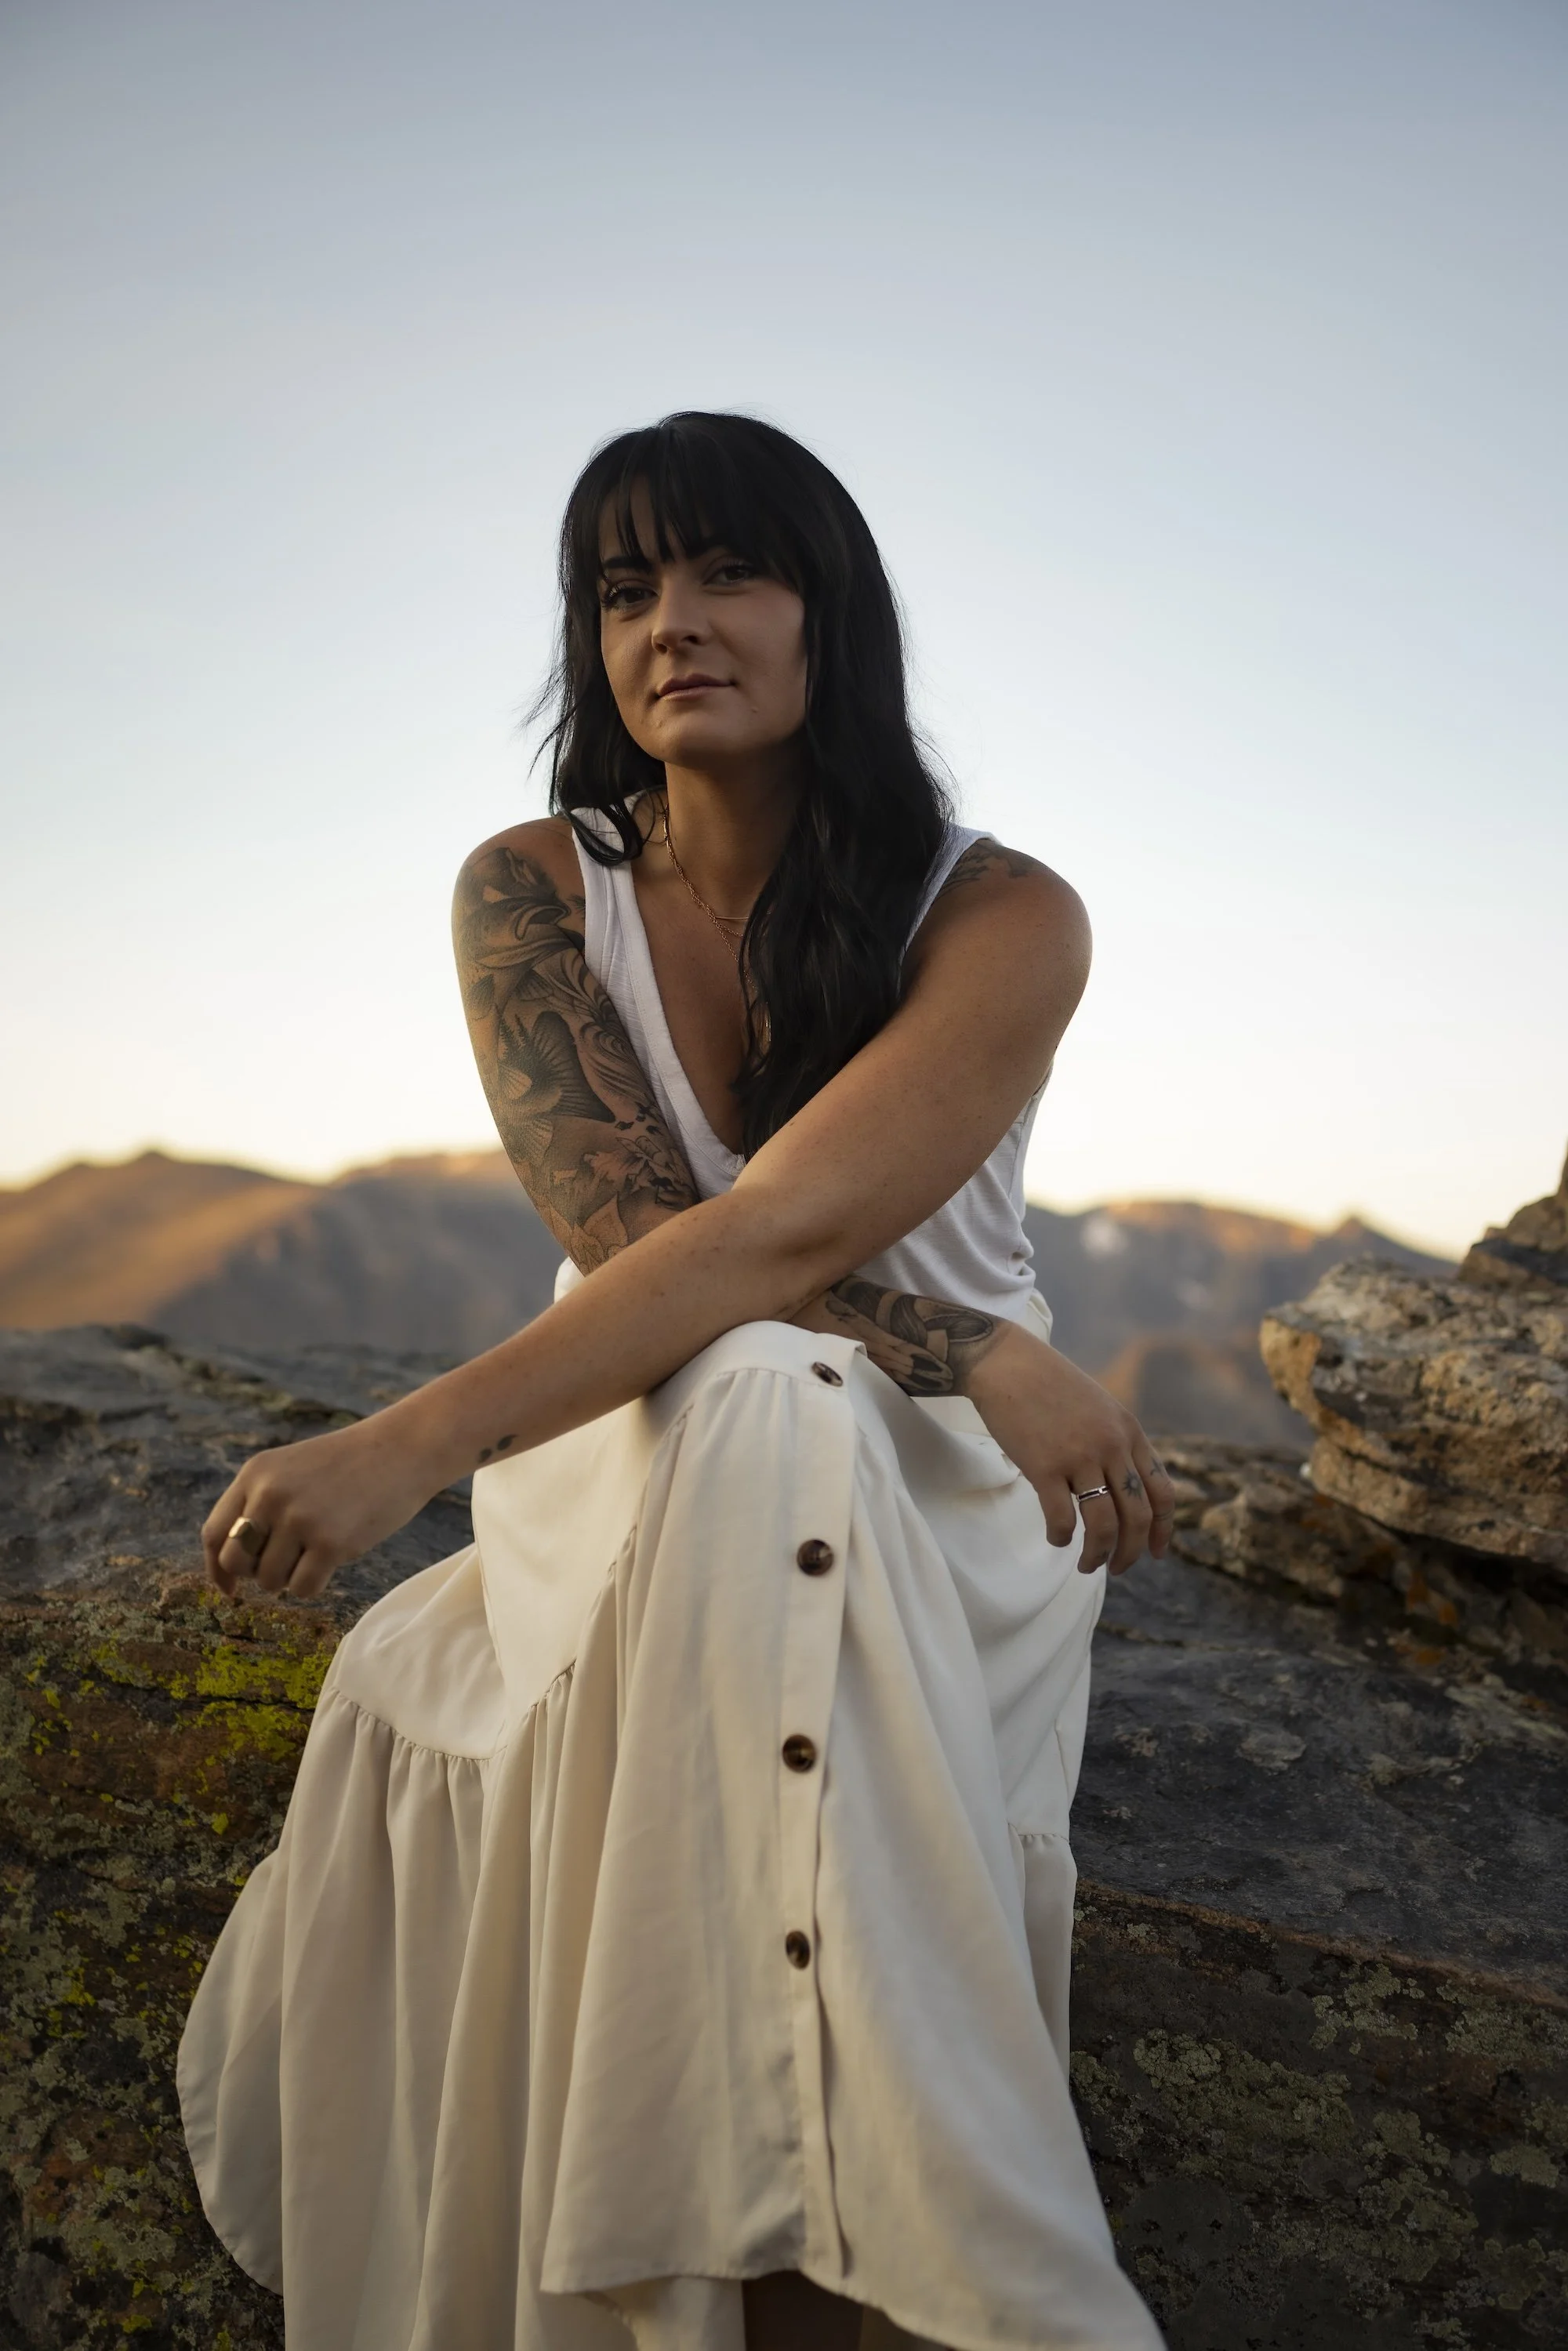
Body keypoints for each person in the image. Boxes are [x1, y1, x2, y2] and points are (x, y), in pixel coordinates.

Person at [179, 412, 1172, 2351]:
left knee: (787, 1399)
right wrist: (987, 1341)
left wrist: (404, 1442)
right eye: (624, 589)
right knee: (759, 1399)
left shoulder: (1000, 912)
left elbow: (786, 1232)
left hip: (951, 1490)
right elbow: (659, 1244)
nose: (671, 624)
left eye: (729, 572)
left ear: (830, 615)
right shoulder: (531, 886)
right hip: (629, 1429)